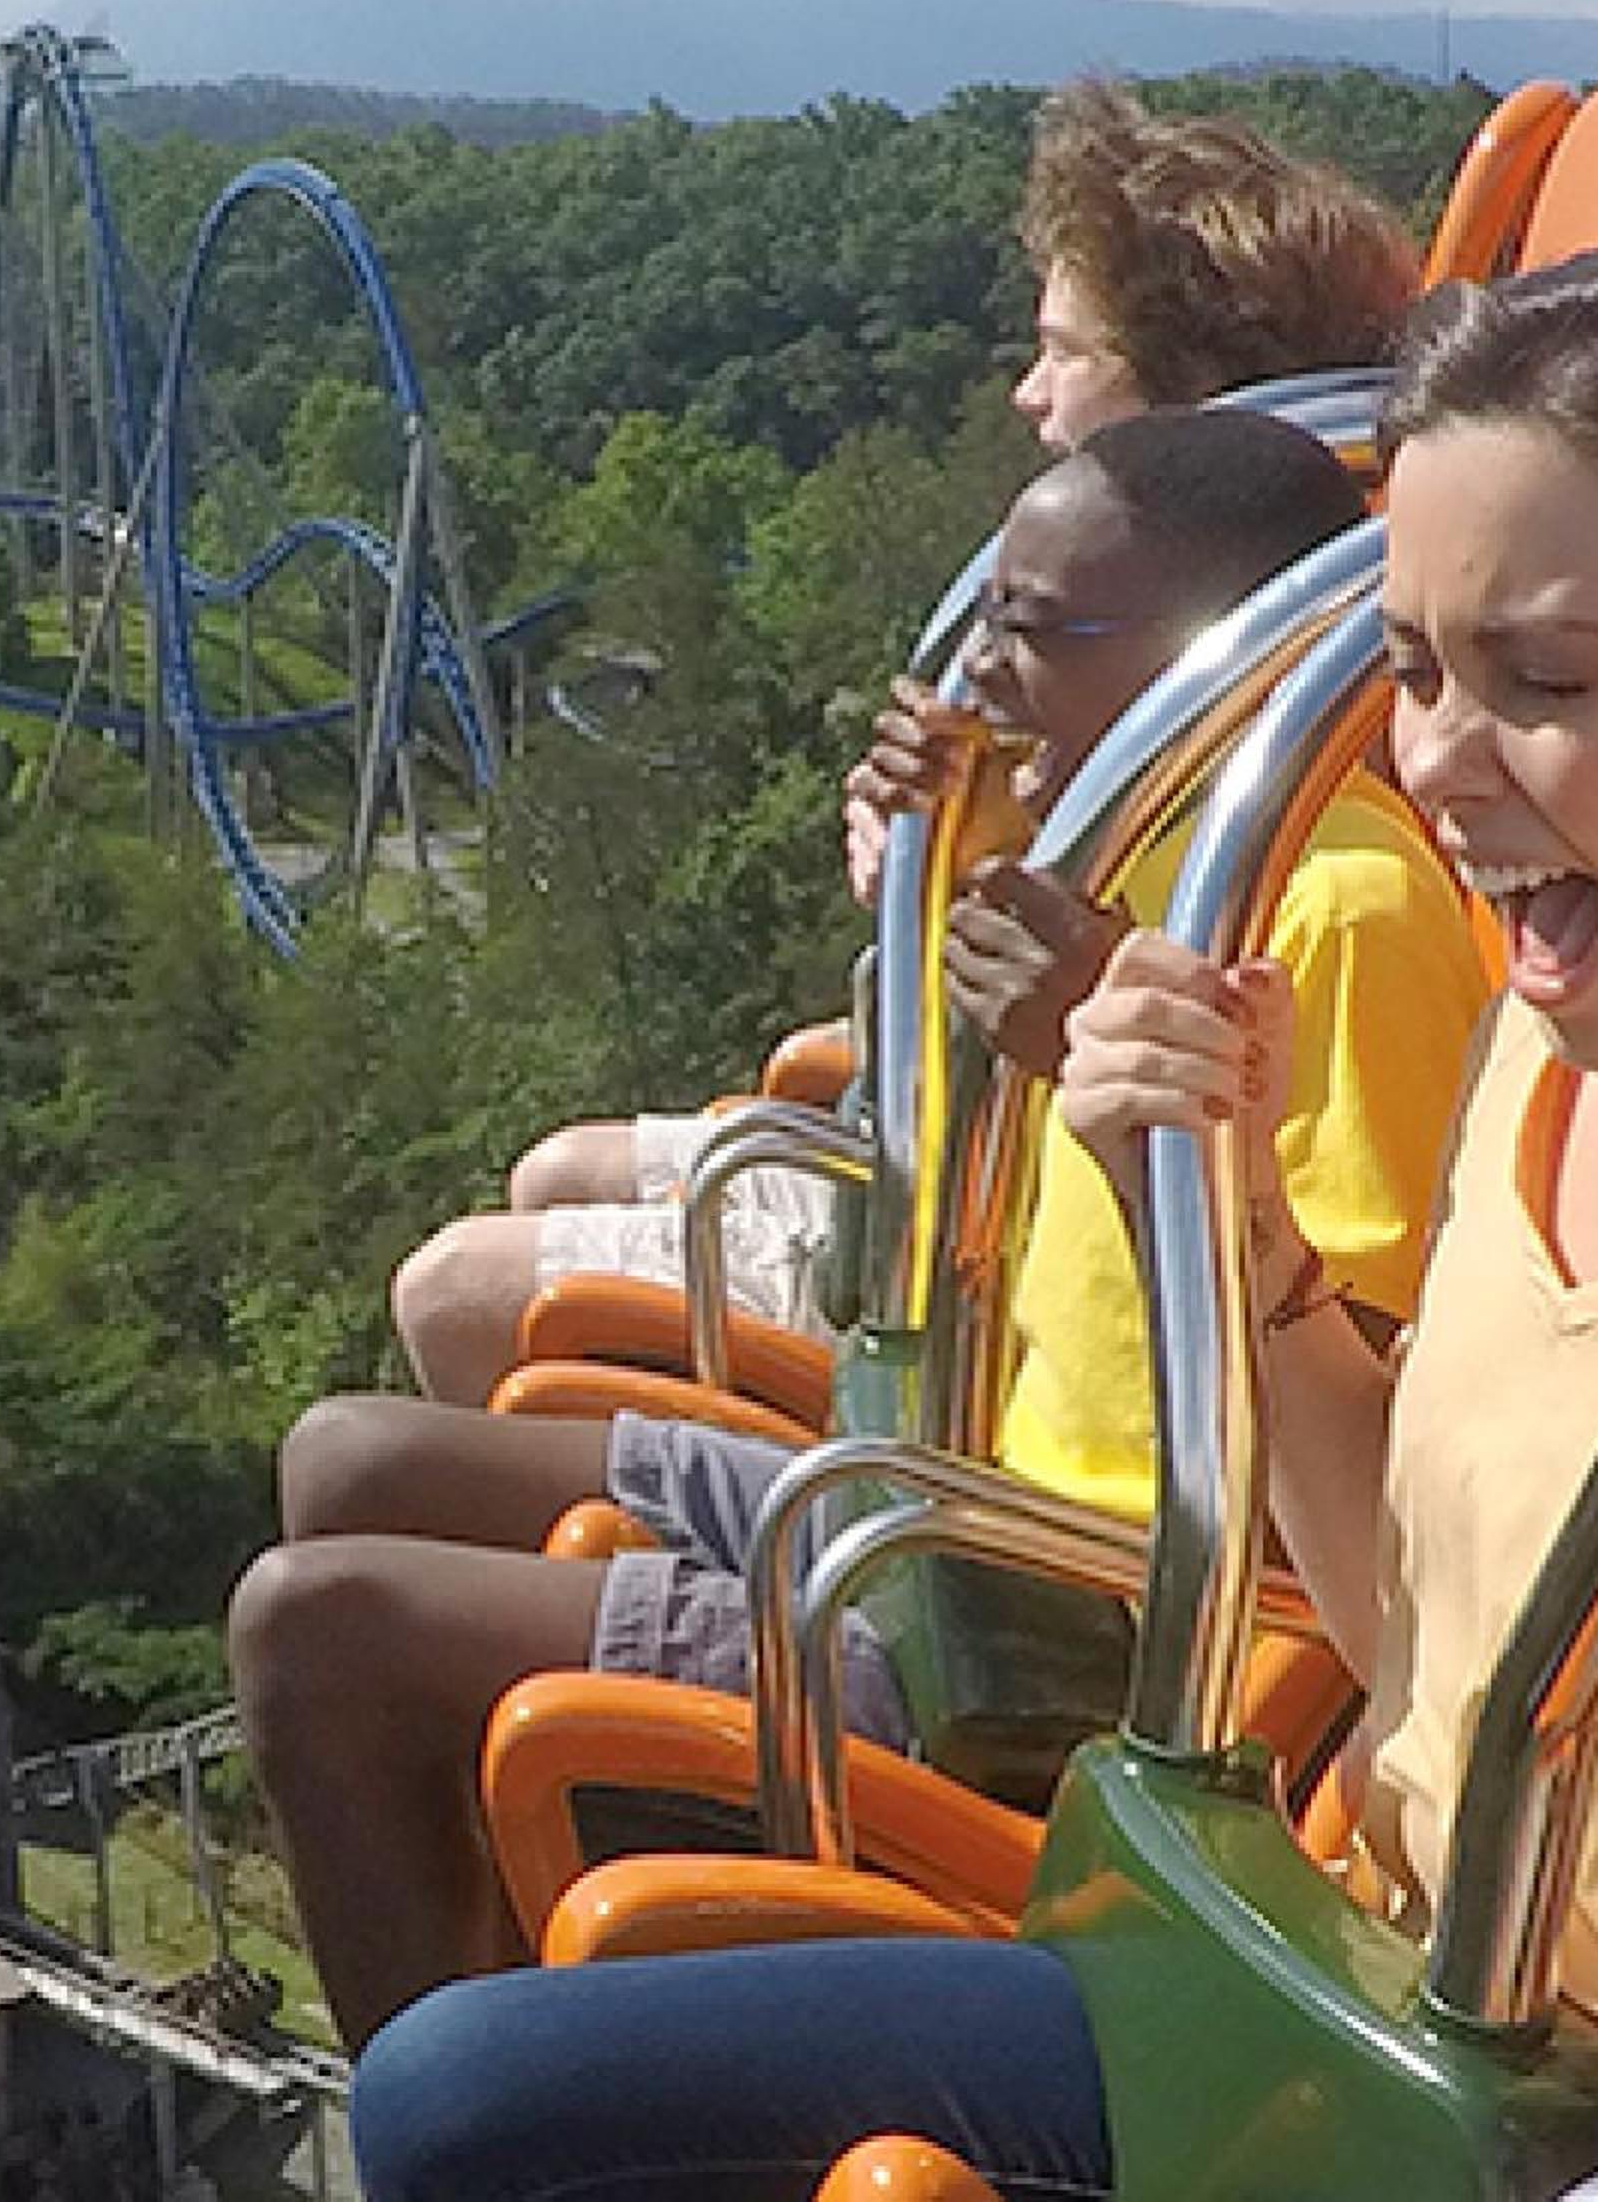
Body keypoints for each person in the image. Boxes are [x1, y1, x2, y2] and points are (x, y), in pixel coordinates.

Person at [348, 227, 1598, 2202]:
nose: (1438, 761)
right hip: (1384, 2016)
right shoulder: (1580, 1020)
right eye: (1414, 667)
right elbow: (1422, 1649)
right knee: (464, 2103)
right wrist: (1243, 1252)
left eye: (1546, 680)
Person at [230, 408, 1487, 2048]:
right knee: (350, 1458)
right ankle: (497, 2000)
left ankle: (479, 2072)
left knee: (312, 1629)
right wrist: (937, 874)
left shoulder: (1335, 908)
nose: (979, 674)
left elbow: (1349, 1445)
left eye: (1033, 631)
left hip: (1079, 1610)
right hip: (958, 1503)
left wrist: (1110, 1064)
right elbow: (949, 1183)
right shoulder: (1133, 861)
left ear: (1214, 653)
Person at [389, 89, 1421, 1405]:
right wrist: (946, 879)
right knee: (555, 1172)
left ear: (1192, 407)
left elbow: (1090, 1088)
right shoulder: (1136, 719)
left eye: (1065, 353)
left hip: (989, 1263)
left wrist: (957, 910)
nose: (1027, 393)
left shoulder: (1316, 829)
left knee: (452, 1289)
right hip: (974, 1185)